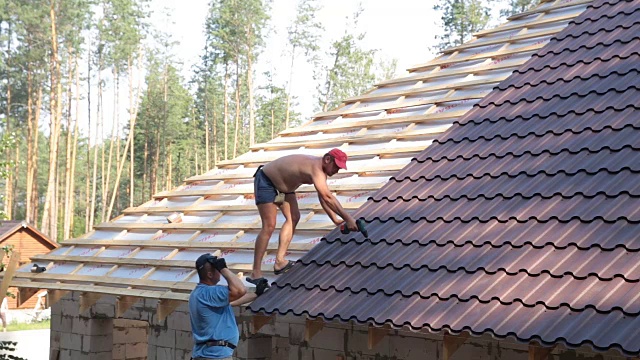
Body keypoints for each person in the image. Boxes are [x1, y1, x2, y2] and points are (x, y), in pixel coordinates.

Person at [247, 148, 359, 287]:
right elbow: (327, 196)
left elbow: (323, 197)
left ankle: (279, 262)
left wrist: (335, 219)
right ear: (327, 159)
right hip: (266, 180)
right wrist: (348, 219)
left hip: (285, 188)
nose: (337, 170)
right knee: (269, 225)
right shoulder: (316, 168)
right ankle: (255, 272)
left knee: (294, 217)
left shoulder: (320, 173)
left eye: (340, 168)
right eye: (336, 166)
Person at [189, 253, 247, 360]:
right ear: (210, 275)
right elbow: (240, 290)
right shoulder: (210, 293)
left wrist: (258, 293)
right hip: (215, 356)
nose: (219, 272)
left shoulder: (198, 293)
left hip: (206, 354)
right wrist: (223, 268)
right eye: (217, 269)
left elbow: (234, 300)